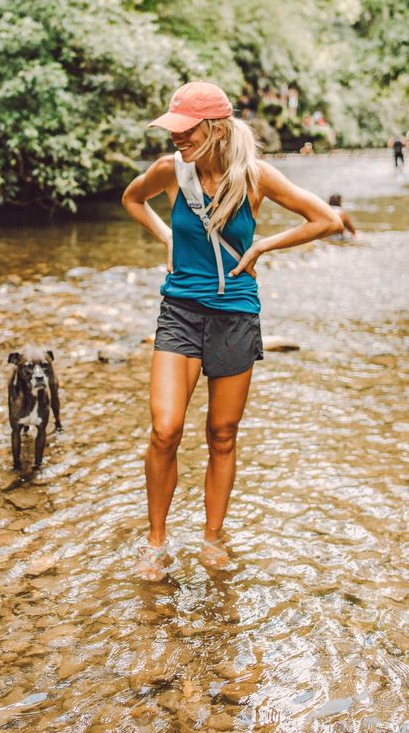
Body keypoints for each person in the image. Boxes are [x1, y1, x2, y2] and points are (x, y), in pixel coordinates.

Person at [122, 80, 342, 581]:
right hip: (178, 310)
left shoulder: (255, 177)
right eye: (173, 129)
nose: (177, 137)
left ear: (217, 129)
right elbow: (132, 200)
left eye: (187, 129)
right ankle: (156, 544)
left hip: (235, 313)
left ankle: (212, 536)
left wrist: (263, 247)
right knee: (165, 429)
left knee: (221, 433)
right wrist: (166, 238)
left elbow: (325, 219)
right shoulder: (169, 173)